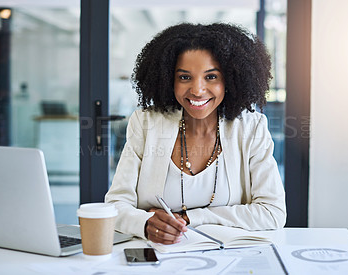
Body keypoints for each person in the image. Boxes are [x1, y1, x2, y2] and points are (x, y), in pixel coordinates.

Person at [105, 23, 286, 245]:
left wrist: (190, 218)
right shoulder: (146, 123)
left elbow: (273, 212)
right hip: (156, 255)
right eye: (184, 77)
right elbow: (115, 204)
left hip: (230, 257)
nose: (197, 90)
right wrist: (145, 223)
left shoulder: (251, 128)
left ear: (230, 79)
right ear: (168, 80)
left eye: (211, 77)